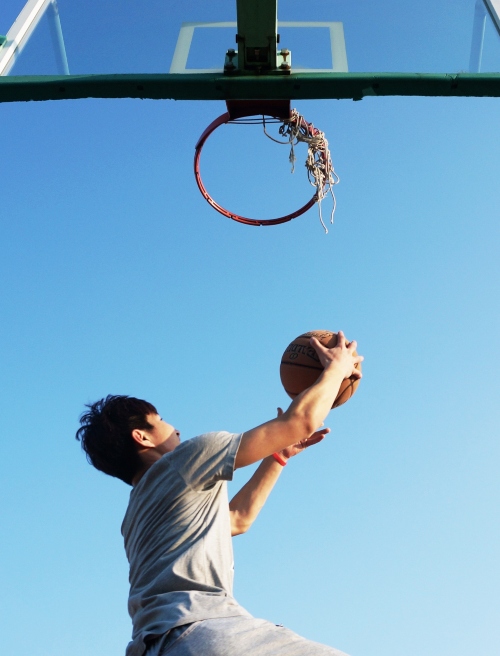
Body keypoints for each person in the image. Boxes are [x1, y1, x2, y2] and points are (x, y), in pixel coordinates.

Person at [76, 332, 363, 656]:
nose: (177, 429)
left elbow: (237, 520)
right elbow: (303, 420)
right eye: (162, 421)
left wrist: (278, 457)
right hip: (201, 630)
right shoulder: (185, 460)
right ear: (142, 437)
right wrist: (337, 368)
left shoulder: (137, 516)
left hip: (160, 646)